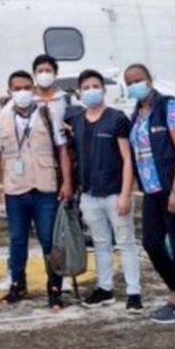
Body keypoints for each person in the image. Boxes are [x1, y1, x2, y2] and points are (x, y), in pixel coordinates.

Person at [124, 63, 175, 324]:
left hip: (174, 187)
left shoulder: (169, 107)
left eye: (139, 79)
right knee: (151, 242)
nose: (135, 84)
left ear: (150, 79)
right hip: (152, 189)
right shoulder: (138, 114)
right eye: (130, 81)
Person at [0, 70, 73, 308]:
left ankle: (55, 286)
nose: (23, 92)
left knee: (49, 239)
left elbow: (62, 150)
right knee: (17, 240)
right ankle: (18, 284)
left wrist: (67, 181)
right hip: (16, 189)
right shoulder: (0, 118)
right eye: (17, 88)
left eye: (27, 87)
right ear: (9, 91)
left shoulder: (48, 114)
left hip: (45, 187)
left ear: (34, 90)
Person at [67, 69, 141, 312]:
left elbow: (127, 158)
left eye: (95, 86)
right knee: (100, 243)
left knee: (126, 242)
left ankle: (134, 292)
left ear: (103, 89)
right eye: (86, 87)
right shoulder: (76, 121)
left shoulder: (117, 119)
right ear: (79, 92)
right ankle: (105, 288)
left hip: (114, 193)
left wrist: (125, 193)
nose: (91, 90)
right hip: (89, 194)